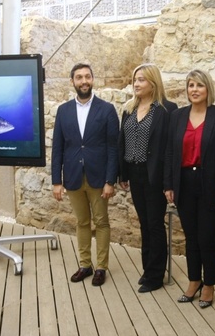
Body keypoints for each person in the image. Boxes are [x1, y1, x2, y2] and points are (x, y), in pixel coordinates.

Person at [164, 69, 215, 308]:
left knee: (208, 237)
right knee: (191, 236)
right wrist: (168, 184)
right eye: (191, 85)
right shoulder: (177, 116)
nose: (194, 90)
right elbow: (170, 151)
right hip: (184, 182)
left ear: (207, 89)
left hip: (211, 184)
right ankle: (194, 281)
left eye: (199, 85)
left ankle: (209, 284)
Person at [51, 63, 119, 286]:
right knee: (81, 222)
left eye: (87, 76)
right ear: (72, 81)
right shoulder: (63, 111)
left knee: (101, 222)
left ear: (93, 79)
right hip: (72, 177)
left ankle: (101, 267)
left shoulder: (106, 109)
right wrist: (56, 181)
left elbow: (113, 148)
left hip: (98, 178)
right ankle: (85, 265)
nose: (83, 81)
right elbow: (58, 148)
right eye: (79, 77)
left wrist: (111, 180)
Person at [119, 64, 178, 293]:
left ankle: (155, 276)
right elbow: (121, 141)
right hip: (134, 173)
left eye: (141, 80)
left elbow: (170, 149)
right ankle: (147, 270)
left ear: (153, 82)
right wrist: (122, 173)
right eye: (135, 79)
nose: (136, 84)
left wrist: (168, 182)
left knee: (155, 224)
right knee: (144, 223)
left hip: (154, 174)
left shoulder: (166, 110)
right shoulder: (129, 109)